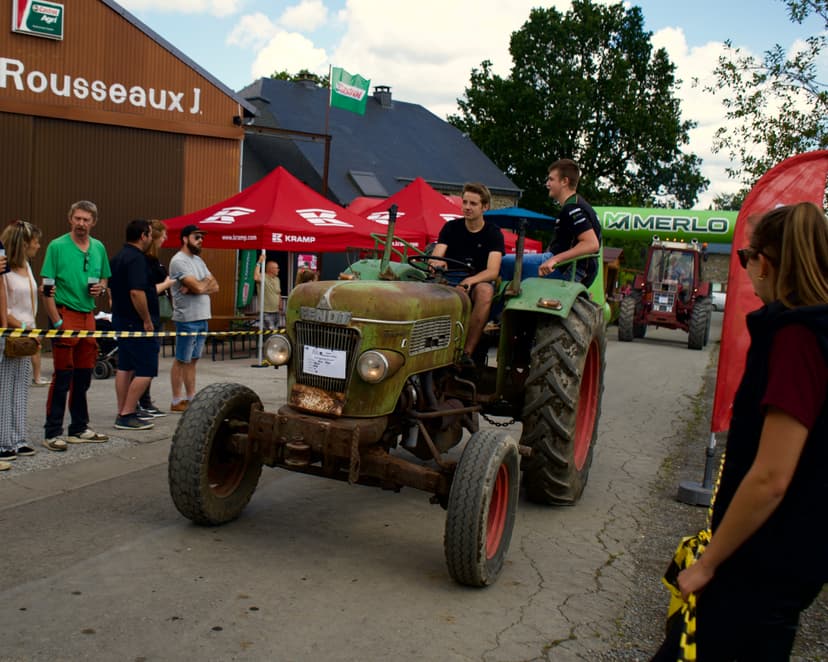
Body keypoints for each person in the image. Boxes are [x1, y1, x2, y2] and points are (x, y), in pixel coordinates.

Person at [652, 202, 828, 661]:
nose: (746, 267)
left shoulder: (797, 340)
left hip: (763, 561)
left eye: (747, 257)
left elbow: (771, 477)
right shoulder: (814, 332)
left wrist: (708, 564)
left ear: (765, 263)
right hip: (791, 554)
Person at [40, 200, 111, 451]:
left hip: (87, 314)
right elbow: (46, 287)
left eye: (86, 220)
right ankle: (52, 432)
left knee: (83, 374)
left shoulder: (99, 247)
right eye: (77, 218)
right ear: (70, 219)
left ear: (93, 222)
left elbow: (104, 278)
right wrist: (57, 320)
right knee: (62, 375)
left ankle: (79, 428)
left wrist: (101, 287)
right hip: (65, 312)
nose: (81, 223)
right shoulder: (57, 246)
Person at [430, 182, 504, 367]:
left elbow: (492, 271)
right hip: (449, 279)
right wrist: (437, 263)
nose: (467, 207)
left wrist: (470, 280)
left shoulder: (493, 233)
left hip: (477, 281)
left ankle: (465, 353)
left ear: (485, 207)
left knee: (486, 291)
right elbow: (435, 257)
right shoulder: (451, 228)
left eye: (473, 203)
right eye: (465, 202)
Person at [500, 159, 601, 285]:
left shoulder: (572, 208)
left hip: (568, 269)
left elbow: (592, 244)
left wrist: (555, 259)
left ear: (564, 181)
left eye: (551, 179)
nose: (547, 184)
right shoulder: (580, 205)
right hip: (579, 268)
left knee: (501, 262)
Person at [108, 219, 159, 431]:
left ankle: (123, 410)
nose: (151, 238)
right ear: (143, 236)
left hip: (121, 318)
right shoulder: (137, 259)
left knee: (125, 366)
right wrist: (146, 319)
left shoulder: (117, 257)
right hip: (136, 322)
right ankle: (127, 412)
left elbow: (111, 288)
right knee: (147, 369)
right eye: (150, 234)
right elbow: (136, 292)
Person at [0, 221, 43, 461]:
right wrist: (24, 328)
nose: (38, 245)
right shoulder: (4, 270)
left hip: (28, 335)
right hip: (12, 335)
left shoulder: (26, 266)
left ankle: (18, 438)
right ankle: (3, 441)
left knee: (20, 389)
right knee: (4, 390)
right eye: (35, 241)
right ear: (24, 243)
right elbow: (4, 309)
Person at [169, 224, 218, 412]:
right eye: (196, 237)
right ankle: (176, 400)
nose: (200, 240)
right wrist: (199, 286)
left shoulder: (198, 260)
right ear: (184, 239)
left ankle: (190, 398)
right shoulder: (178, 261)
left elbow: (215, 286)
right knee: (181, 359)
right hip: (187, 318)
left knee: (193, 359)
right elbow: (200, 286)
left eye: (201, 237)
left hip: (202, 316)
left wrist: (196, 287)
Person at [137, 219, 175, 418]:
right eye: (163, 235)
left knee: (150, 358)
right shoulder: (146, 261)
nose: (165, 239)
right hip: (150, 315)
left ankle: (145, 400)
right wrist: (166, 284)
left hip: (157, 315)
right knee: (145, 361)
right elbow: (146, 290)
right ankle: (140, 402)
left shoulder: (153, 260)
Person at [253, 255, 283, 329]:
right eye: (277, 268)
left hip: (276, 311)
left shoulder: (277, 279)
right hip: (266, 312)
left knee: (275, 332)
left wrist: (280, 305)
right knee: (270, 332)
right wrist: (259, 262)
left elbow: (278, 293)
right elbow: (256, 277)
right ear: (271, 269)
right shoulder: (263, 277)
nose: (278, 270)